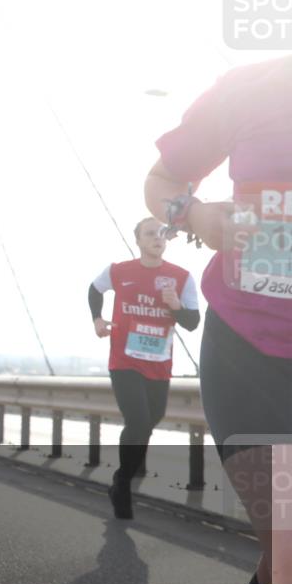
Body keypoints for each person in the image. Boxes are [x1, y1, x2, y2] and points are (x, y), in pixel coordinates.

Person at [144, 55, 292, 584]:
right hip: (248, 354)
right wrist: (195, 216)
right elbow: (164, 180)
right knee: (288, 541)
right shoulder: (249, 88)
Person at [89, 218, 200, 519]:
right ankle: (123, 484)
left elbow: (192, 323)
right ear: (137, 240)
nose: (156, 238)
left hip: (159, 363)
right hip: (124, 360)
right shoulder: (119, 270)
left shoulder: (181, 277)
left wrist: (176, 306)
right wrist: (97, 319)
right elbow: (94, 289)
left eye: (161, 233)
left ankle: (124, 475)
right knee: (138, 420)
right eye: (149, 233)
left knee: (153, 418)